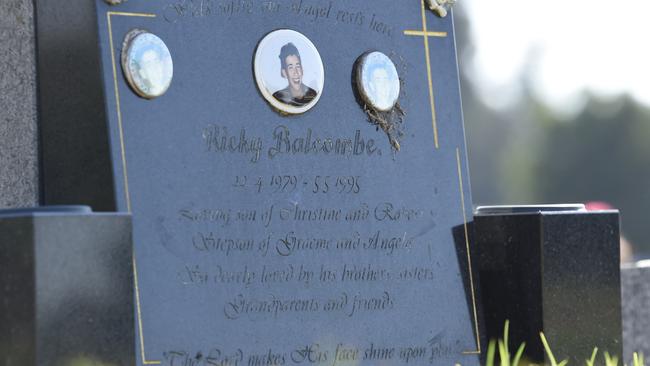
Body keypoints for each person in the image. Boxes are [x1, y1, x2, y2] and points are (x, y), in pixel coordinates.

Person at [272, 43, 317, 107]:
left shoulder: (313, 95)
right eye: (290, 67)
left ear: (302, 70)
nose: (296, 72)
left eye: (298, 66)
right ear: (284, 73)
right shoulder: (278, 98)